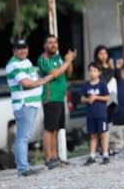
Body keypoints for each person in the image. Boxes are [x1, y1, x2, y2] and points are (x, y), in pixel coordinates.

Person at [6, 39, 54, 176]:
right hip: (24, 104)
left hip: (31, 104)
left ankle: (24, 166)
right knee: (22, 137)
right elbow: (26, 83)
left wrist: (39, 82)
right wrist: (44, 80)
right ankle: (23, 168)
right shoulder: (13, 64)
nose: (22, 50)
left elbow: (33, 78)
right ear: (13, 50)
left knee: (25, 136)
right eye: (19, 48)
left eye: (24, 47)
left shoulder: (26, 62)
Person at [37, 34, 77, 170]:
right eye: (50, 43)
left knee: (56, 130)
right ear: (45, 45)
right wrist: (67, 62)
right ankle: (48, 158)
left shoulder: (59, 58)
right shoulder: (43, 59)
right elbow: (55, 74)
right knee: (49, 129)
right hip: (50, 98)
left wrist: (69, 61)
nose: (53, 45)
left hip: (60, 98)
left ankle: (55, 157)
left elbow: (69, 73)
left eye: (55, 42)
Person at [80, 62, 111, 165]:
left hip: (101, 114)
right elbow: (82, 98)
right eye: (90, 71)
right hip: (91, 114)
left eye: (95, 71)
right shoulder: (86, 85)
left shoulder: (102, 84)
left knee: (102, 134)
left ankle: (105, 154)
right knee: (93, 135)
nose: (92, 73)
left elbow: (107, 97)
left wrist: (96, 97)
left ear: (99, 72)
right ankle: (92, 155)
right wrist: (87, 99)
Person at [93, 45, 122, 122]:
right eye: (101, 54)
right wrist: (112, 70)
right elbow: (104, 80)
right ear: (96, 55)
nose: (103, 56)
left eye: (105, 53)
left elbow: (118, 80)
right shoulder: (95, 67)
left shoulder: (108, 66)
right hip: (102, 99)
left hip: (112, 98)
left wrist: (117, 69)